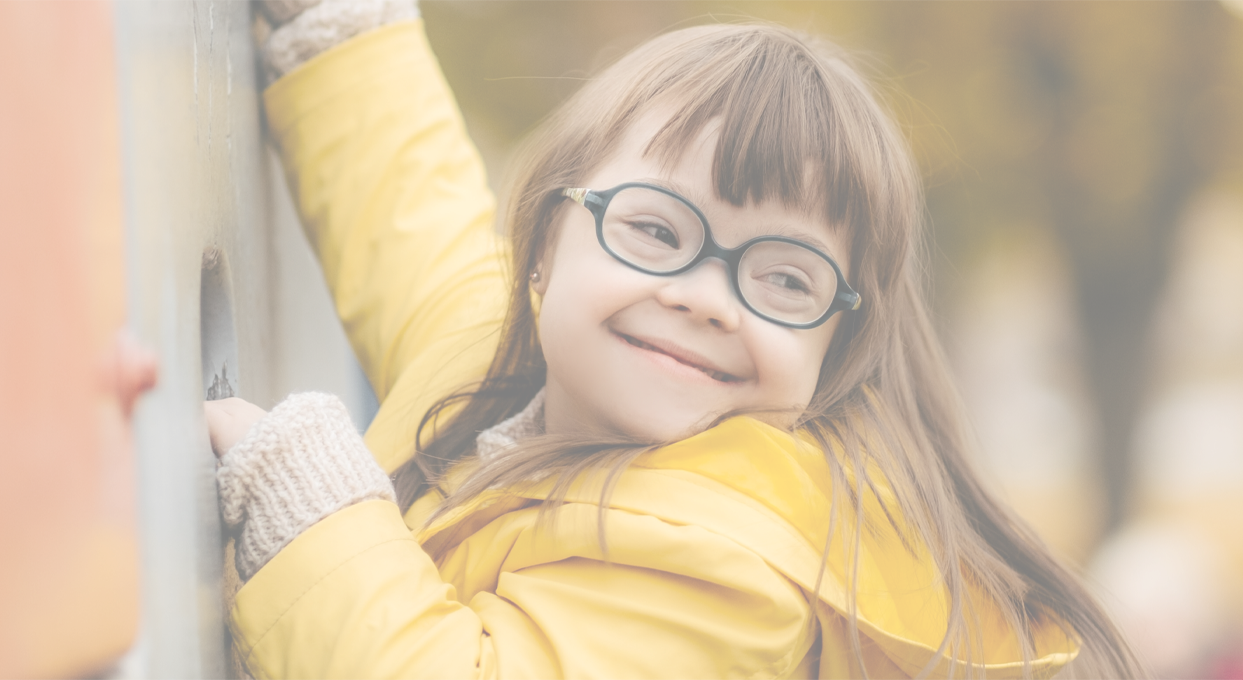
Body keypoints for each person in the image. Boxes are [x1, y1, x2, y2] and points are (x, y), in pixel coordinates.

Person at [205, 1, 1144, 677]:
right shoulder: (498, 366)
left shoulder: (731, 564)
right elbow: (413, 222)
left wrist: (311, 506)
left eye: (785, 279)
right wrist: (343, 33)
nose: (707, 299)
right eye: (656, 230)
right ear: (546, 244)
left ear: (834, 352)